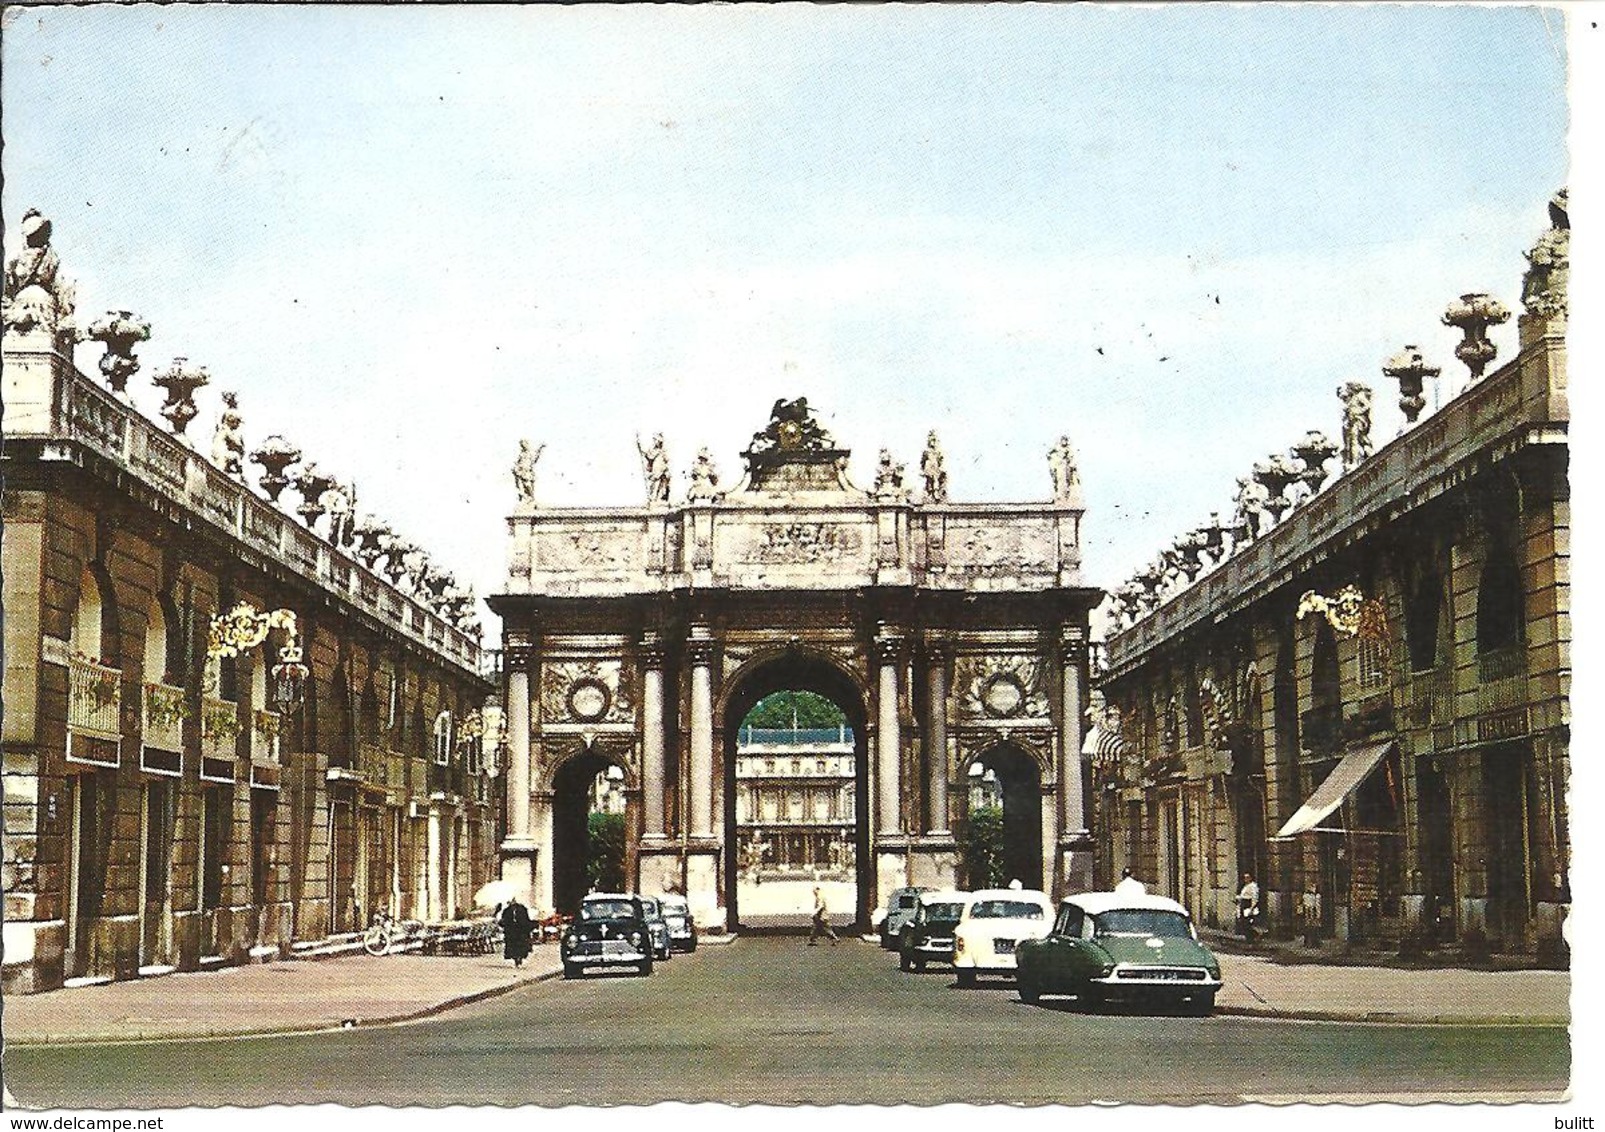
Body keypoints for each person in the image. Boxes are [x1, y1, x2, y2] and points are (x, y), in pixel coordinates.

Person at [499, 894, 534, 967]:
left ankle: (520, 958)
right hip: (511, 932)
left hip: (521, 931)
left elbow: (526, 919)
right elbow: (504, 920)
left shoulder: (522, 909)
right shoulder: (507, 911)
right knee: (513, 948)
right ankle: (516, 960)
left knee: (521, 947)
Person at [1236, 872, 1261, 944]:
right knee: (1243, 922)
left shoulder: (1253, 886)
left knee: (1247, 923)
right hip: (1243, 905)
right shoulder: (1245, 886)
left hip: (1248, 905)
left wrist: (1251, 908)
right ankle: (1250, 938)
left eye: (1247, 877)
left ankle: (1253, 937)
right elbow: (1243, 895)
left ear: (1251, 878)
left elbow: (1254, 897)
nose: (1246, 879)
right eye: (1245, 878)